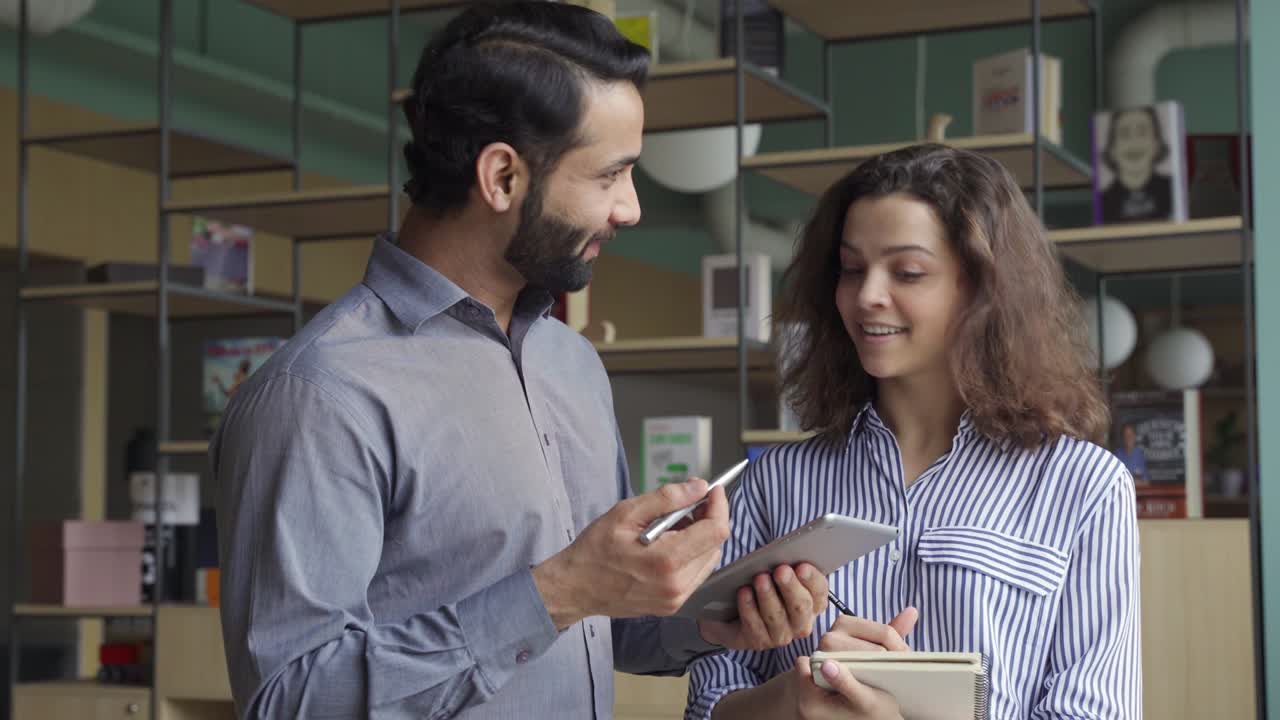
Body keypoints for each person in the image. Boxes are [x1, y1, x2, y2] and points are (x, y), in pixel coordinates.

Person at [211, 3, 831, 718]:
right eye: (610, 175)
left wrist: (715, 616)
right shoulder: (319, 394)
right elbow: (289, 700)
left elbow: (601, 624)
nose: (629, 208)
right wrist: (558, 589)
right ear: (502, 176)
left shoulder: (570, 362)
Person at [687, 144, 1142, 719]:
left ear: (981, 289)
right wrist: (792, 701)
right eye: (852, 269)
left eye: (907, 272)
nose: (867, 295)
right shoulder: (773, 483)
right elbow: (706, 706)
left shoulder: (1086, 487)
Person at [1100, 106, 1174, 223]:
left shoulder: (1173, 192)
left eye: (1142, 133)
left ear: (1156, 144)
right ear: (1112, 149)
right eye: (1124, 134)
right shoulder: (1102, 202)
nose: (1134, 143)